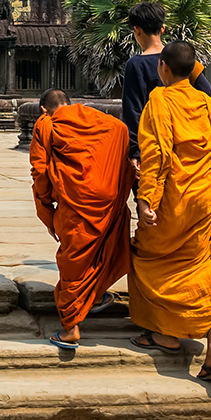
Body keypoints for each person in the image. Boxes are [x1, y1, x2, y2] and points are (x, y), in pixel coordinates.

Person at [129, 41, 211, 381]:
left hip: (174, 199)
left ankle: (165, 334)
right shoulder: (207, 102)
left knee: (150, 258)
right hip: (206, 196)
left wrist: (146, 198)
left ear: (163, 67)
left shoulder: (159, 102)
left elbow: (157, 155)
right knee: (204, 265)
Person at [30, 88, 133, 349]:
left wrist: (45, 208)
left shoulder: (46, 125)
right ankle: (95, 296)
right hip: (107, 200)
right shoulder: (103, 120)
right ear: (69, 103)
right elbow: (123, 132)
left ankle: (71, 328)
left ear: (44, 109)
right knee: (101, 250)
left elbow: (40, 171)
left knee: (72, 261)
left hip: (75, 202)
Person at [121, 2, 211, 168]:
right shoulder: (184, 57)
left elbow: (133, 111)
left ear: (137, 30)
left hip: (154, 144)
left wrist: (135, 151)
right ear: (162, 29)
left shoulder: (136, 64)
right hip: (189, 142)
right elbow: (207, 94)